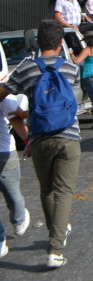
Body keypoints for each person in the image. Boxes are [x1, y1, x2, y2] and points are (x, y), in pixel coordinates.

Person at [0, 20, 81, 269]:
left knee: (47, 190)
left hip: (38, 140)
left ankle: (55, 232)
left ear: (37, 43)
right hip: (68, 137)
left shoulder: (26, 70)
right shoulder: (70, 68)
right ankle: (56, 248)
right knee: (64, 191)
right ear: (60, 43)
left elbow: (4, 92)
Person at [0, 85, 30, 258]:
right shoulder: (4, 94)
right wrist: (28, 140)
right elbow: (17, 117)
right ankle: (18, 220)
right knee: (13, 193)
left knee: (12, 193)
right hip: (5, 151)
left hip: (4, 151)